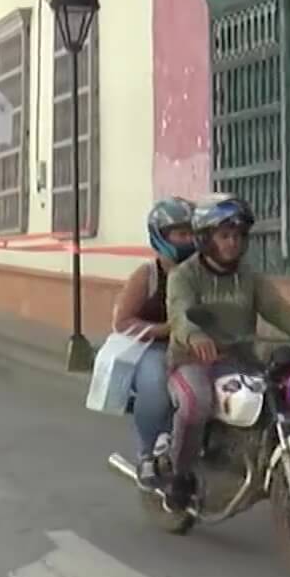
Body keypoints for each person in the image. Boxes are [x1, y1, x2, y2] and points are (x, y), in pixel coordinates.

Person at [164, 195, 290, 512]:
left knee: (285, 393)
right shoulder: (184, 276)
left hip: (240, 358)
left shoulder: (250, 277)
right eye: (224, 236)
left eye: (238, 236)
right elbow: (179, 312)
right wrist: (195, 336)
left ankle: (266, 460)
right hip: (192, 362)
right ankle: (178, 477)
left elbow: (277, 310)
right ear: (206, 239)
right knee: (197, 403)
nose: (233, 243)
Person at [110, 197, 195, 486]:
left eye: (192, 232)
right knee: (156, 386)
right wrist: (164, 330)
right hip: (152, 349)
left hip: (193, 348)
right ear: (160, 236)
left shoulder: (202, 274)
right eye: (180, 234)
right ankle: (147, 454)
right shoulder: (147, 275)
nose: (188, 240)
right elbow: (122, 323)